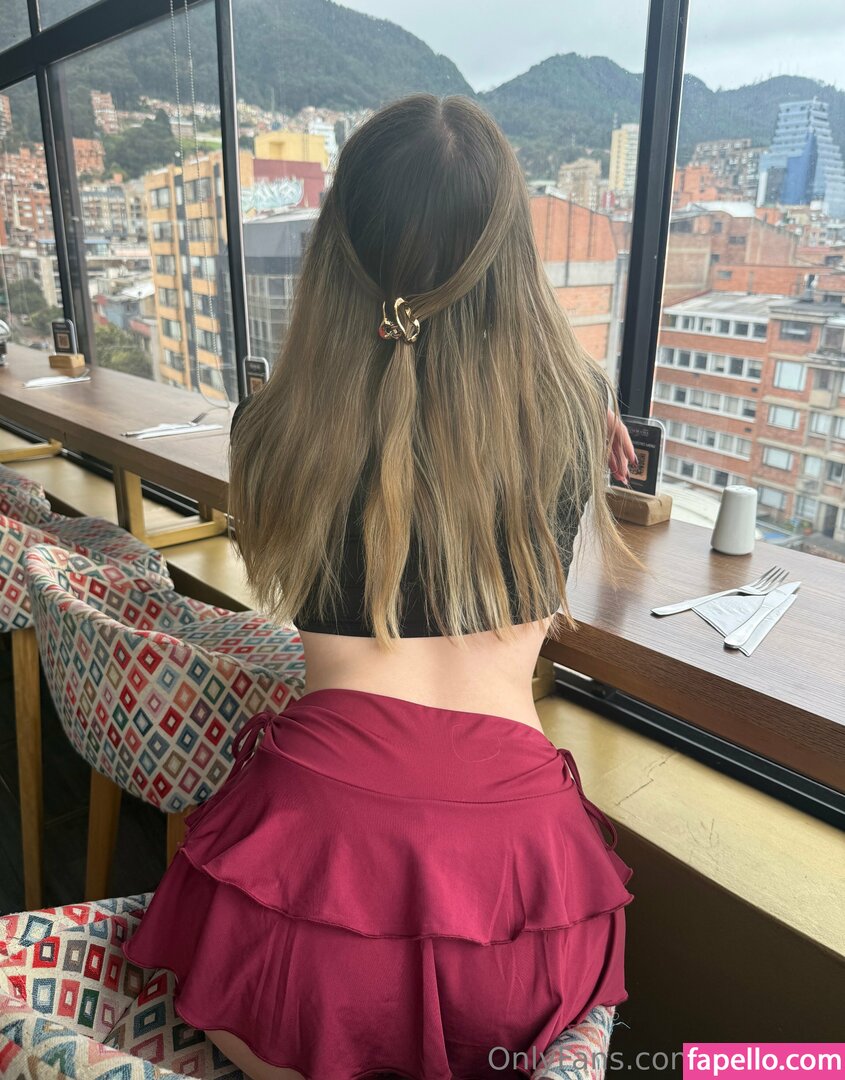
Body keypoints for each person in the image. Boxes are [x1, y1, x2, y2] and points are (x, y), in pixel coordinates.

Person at [124, 93, 639, 1080]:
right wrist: (589, 389)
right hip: (519, 918)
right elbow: (523, 395)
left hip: (295, 918)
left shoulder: (266, 427)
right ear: (509, 258)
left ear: (334, 250)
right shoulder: (575, 409)